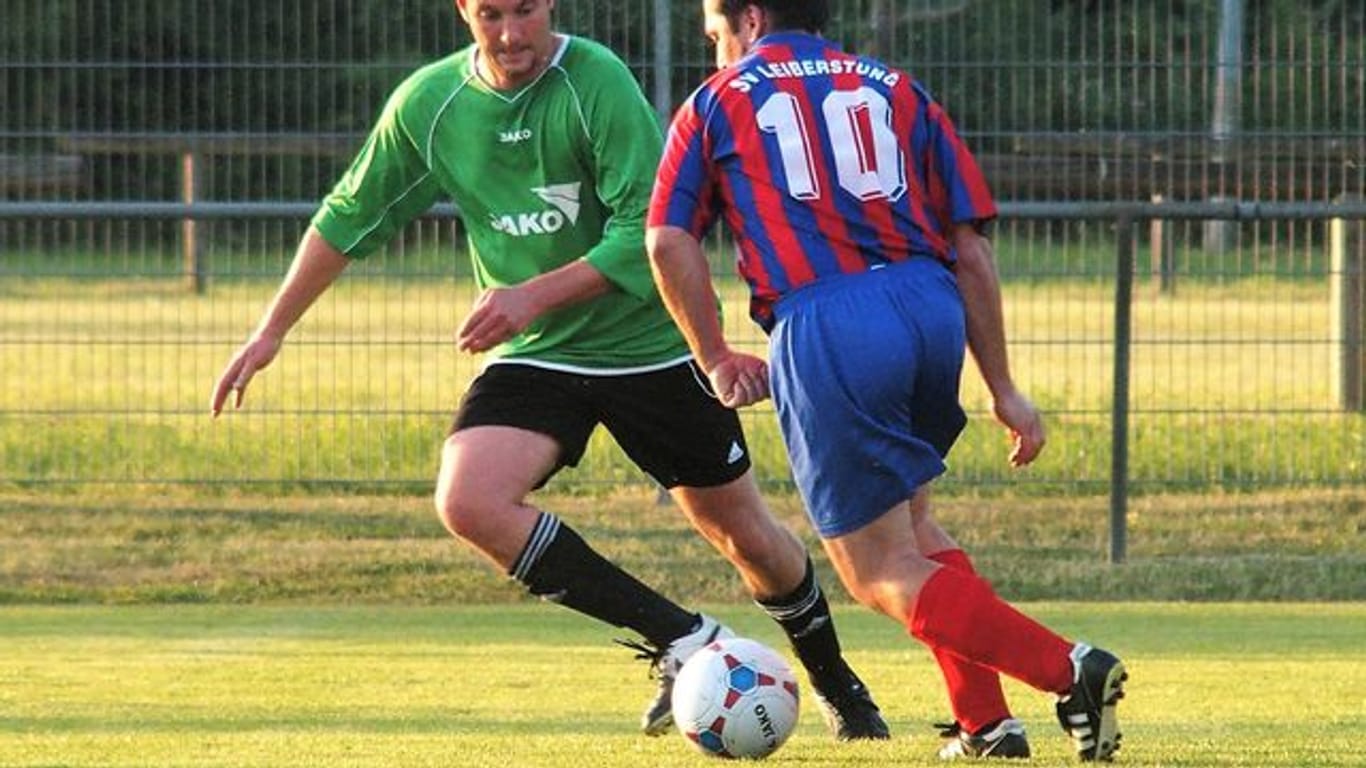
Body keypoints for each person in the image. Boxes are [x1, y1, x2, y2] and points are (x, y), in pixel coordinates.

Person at [209, 0, 888, 743]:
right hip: (539, 353)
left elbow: (648, 237)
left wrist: (529, 295)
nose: (510, 33)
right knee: (469, 500)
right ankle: (686, 641)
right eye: (491, 13)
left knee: (745, 535)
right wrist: (270, 331)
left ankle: (839, 685)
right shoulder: (431, 104)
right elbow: (350, 213)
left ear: (551, 6)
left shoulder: (594, 81)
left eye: (525, 10)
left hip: (651, 346)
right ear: (464, 11)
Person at [647, 0, 1128, 761]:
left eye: (715, 36)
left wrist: (714, 357)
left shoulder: (718, 100)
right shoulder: (897, 88)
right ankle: (986, 726)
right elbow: (969, 246)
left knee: (875, 570)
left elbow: (668, 239)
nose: (716, 53)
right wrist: (1002, 387)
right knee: (917, 533)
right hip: (929, 306)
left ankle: (1069, 669)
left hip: (832, 319)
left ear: (749, 17)